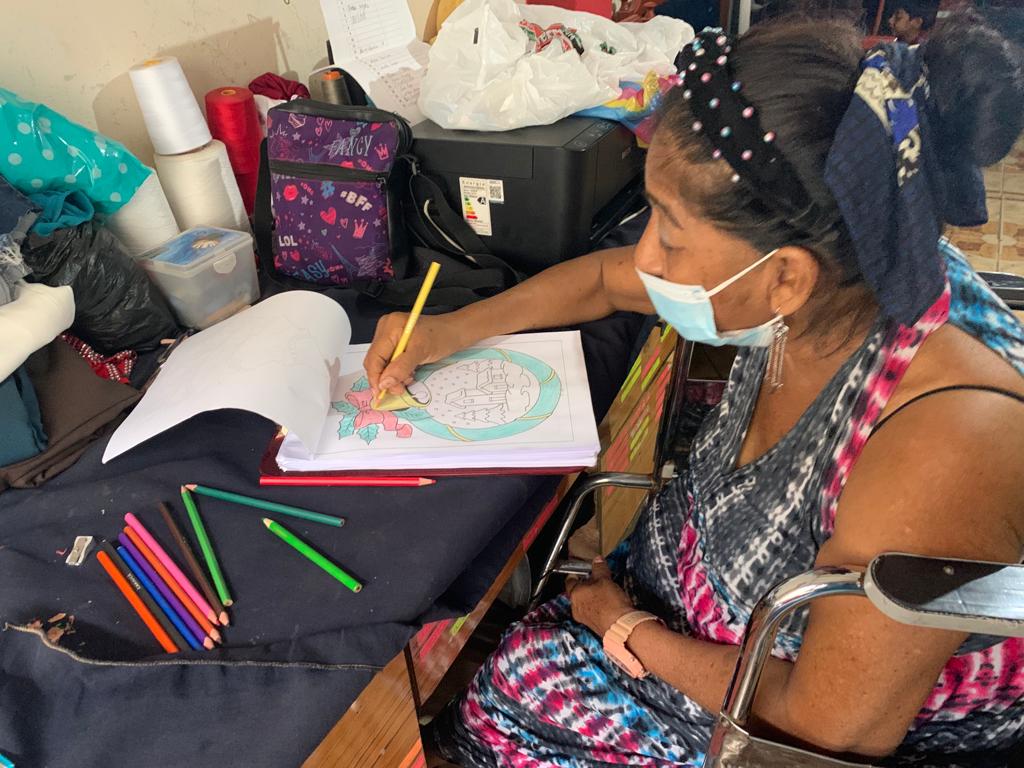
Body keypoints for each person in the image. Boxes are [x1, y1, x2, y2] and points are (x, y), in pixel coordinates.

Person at [364, 13, 1024, 767]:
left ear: (786, 277)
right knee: (504, 675)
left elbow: (822, 729)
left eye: (670, 235)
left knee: (494, 696)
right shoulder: (844, 270)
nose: (644, 256)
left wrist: (624, 627)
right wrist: (449, 331)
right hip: (679, 625)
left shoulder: (949, 441)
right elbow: (608, 278)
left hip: (771, 733)